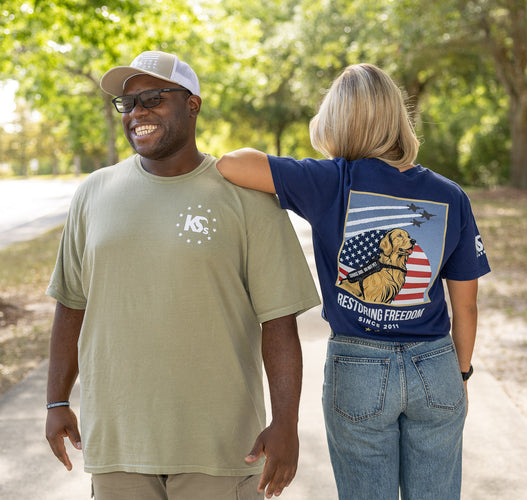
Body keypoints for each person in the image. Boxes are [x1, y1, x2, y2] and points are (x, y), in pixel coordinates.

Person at [44, 50, 320, 500]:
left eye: (153, 99)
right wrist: (56, 400)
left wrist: (286, 423)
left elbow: (279, 321)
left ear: (192, 104)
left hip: (222, 447)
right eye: (128, 104)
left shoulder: (245, 196)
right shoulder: (93, 192)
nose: (138, 113)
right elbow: (71, 305)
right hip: (119, 445)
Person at [217, 63, 491, 499]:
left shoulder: (330, 180)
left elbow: (232, 164)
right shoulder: (450, 194)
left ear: (336, 121)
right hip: (437, 364)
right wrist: (460, 371)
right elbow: (467, 305)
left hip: (359, 367)